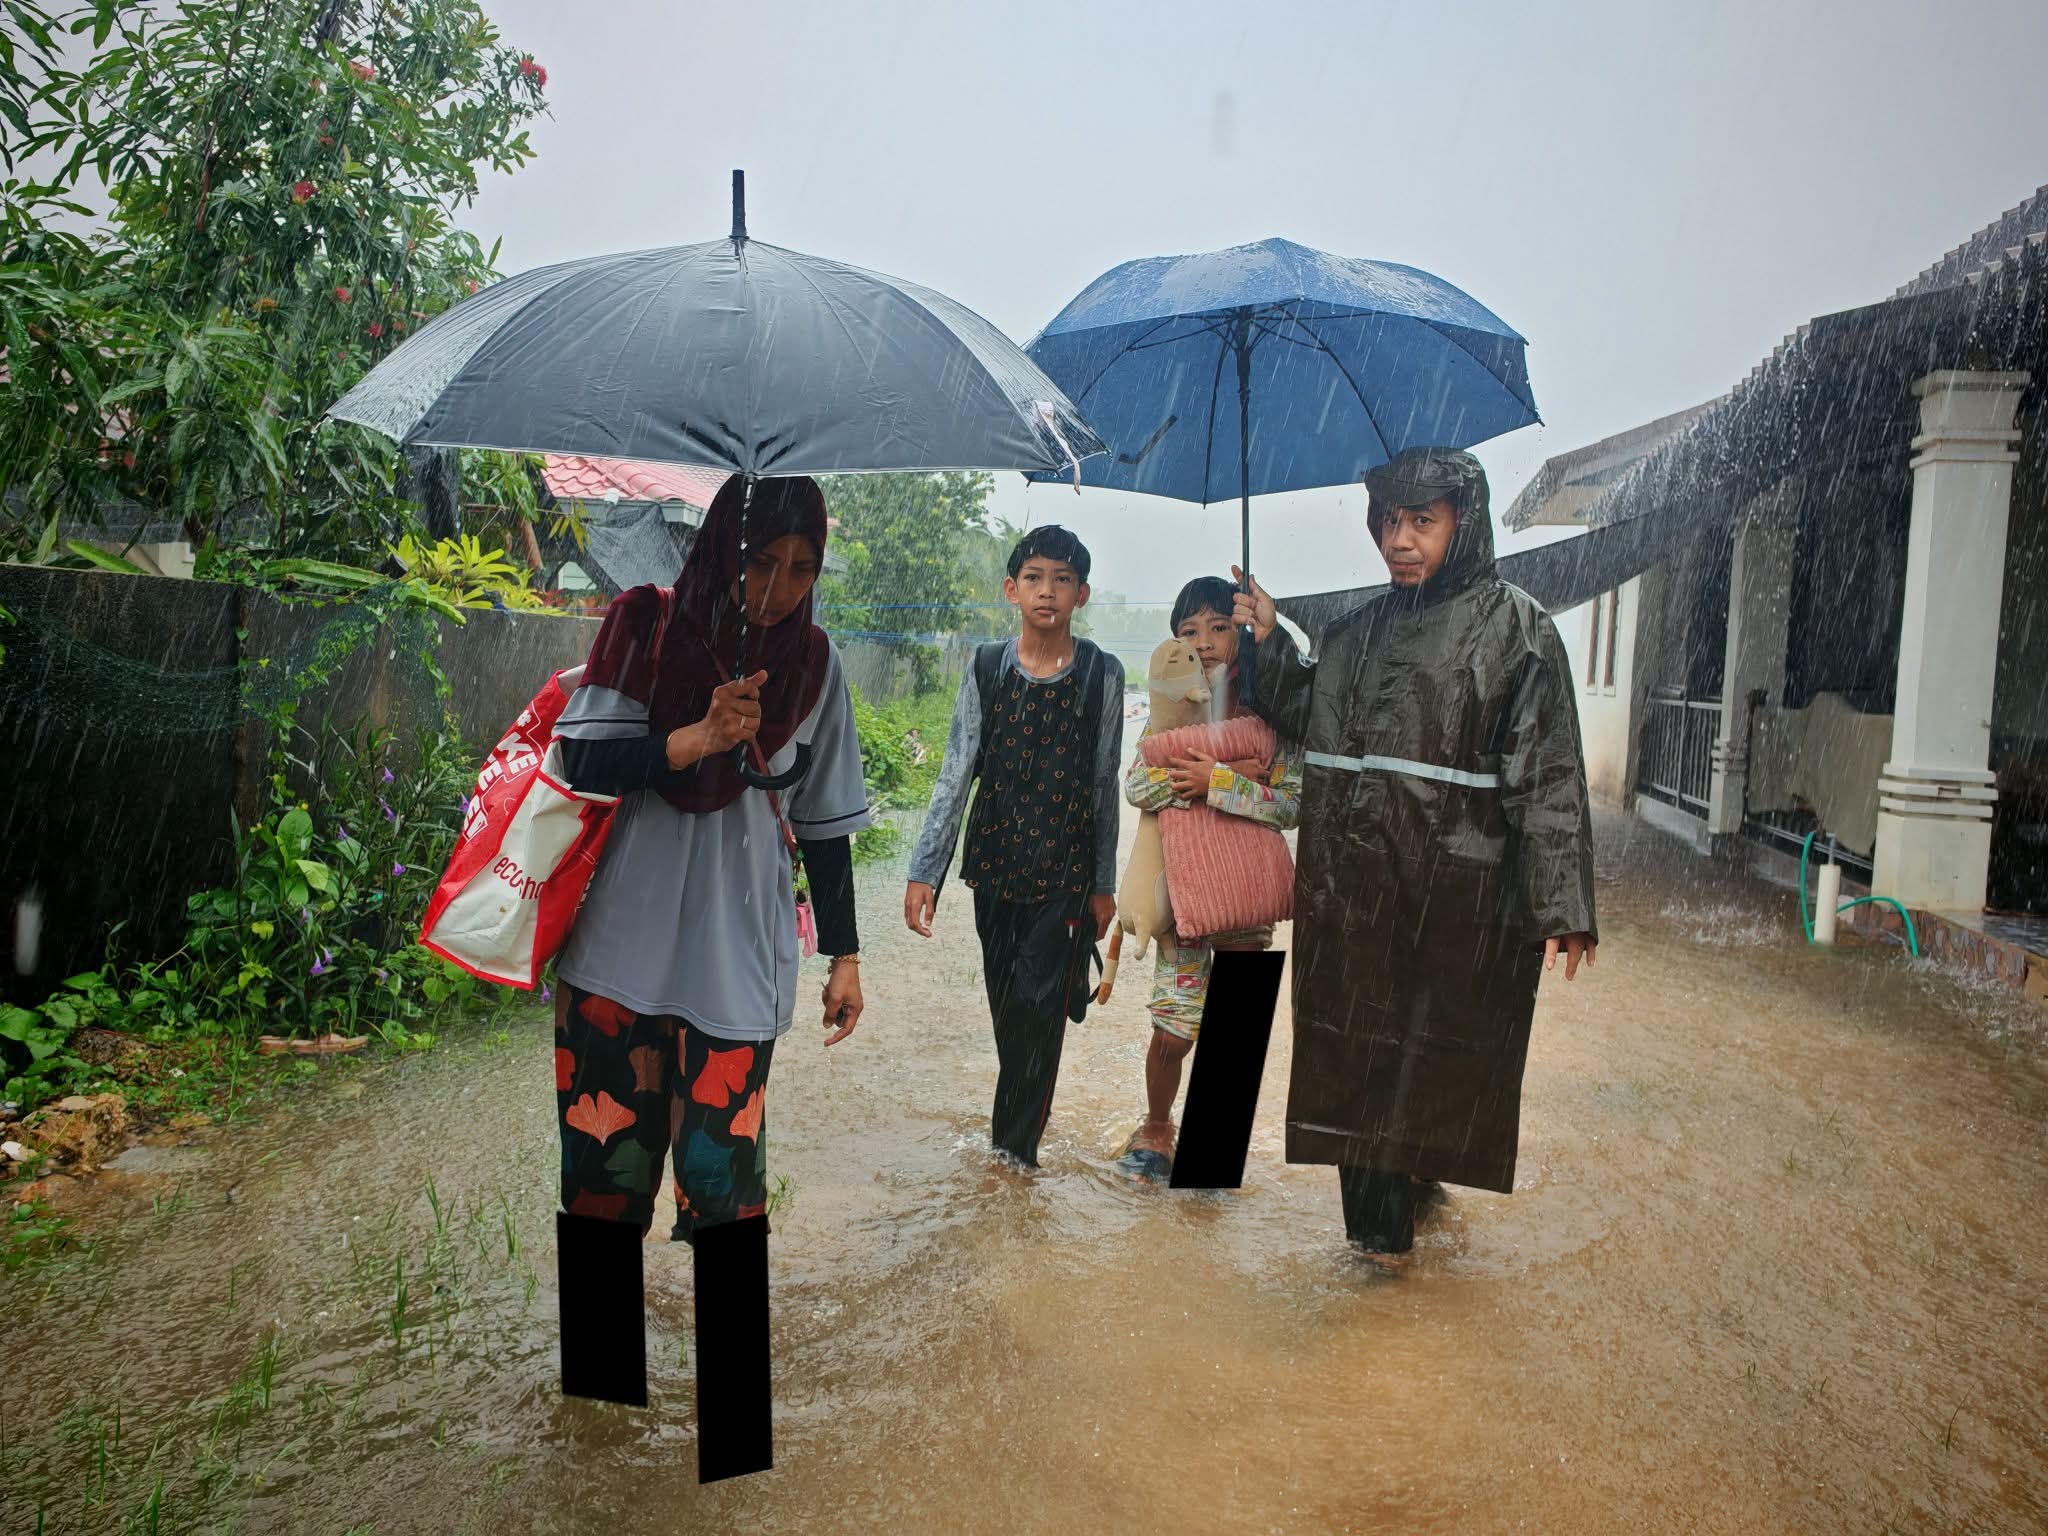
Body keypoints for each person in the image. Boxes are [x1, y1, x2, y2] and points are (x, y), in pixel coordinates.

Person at [1234, 446, 1598, 1254]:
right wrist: (1265, 640)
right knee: (1357, 1060)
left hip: (1458, 901)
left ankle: (1416, 1195)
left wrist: (1561, 901)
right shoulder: (1358, 632)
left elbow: (1547, 776)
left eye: (1421, 522)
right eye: (1389, 522)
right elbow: (1308, 711)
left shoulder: (1520, 634)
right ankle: (1377, 1273)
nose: (1400, 540)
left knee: (1437, 1054)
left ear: (1461, 526)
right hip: (1353, 891)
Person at [549, 474, 872, 1246]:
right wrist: (692, 739)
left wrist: (846, 955)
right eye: (760, 560)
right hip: (616, 960)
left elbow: (824, 825)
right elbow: (580, 763)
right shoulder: (644, 626)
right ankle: (604, 1371)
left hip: (737, 960)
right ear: (725, 547)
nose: (776, 589)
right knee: (602, 1189)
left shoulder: (815, 666)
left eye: (802, 569)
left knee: (726, 1197)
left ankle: (730, 1372)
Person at [904, 526, 1126, 1167]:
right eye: (1034, 577)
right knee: (1011, 1013)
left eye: (1062, 579)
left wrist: (1102, 884)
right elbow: (954, 774)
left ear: (1082, 593)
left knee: (1036, 1013)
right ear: (1011, 590)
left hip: (1064, 881)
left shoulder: (1101, 675)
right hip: (995, 875)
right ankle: (1015, 1136)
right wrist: (927, 873)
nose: (1047, 591)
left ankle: (1014, 1160)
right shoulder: (985, 668)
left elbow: (1104, 784)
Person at [1117, 576, 1302, 1181]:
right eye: (1189, 631)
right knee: (1175, 1026)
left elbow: (1293, 803)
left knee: (1236, 1028)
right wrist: (1191, 774)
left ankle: (1215, 1147)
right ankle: (1156, 1126)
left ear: (1243, 633)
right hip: (1187, 896)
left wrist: (1219, 782)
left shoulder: (1271, 710)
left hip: (1247, 900)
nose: (1205, 642)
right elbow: (1136, 785)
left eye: (1219, 627)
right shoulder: (1168, 712)